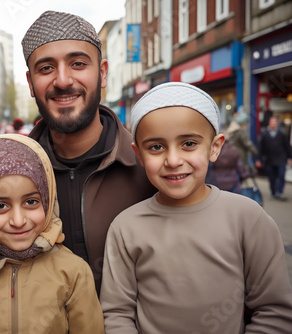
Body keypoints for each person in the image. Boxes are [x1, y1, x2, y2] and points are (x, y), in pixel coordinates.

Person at [100, 82, 292, 333]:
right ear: (139, 154)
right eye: (156, 147)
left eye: (189, 143)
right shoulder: (125, 228)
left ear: (214, 147)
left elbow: (273, 311)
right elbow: (116, 314)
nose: (173, 160)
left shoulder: (248, 218)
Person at [22, 10, 156, 292]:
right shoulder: (12, 176)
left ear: (103, 73)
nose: (62, 80)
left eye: (78, 64)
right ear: (31, 83)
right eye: (46, 68)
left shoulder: (152, 168)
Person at [0, 134, 104, 333]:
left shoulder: (73, 272)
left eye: (31, 202)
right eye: (0, 205)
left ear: (47, 200)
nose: (18, 221)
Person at [255, 115, 292, 201]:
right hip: (269, 159)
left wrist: (290, 157)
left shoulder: (282, 134)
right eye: (272, 122)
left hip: (281, 158)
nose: (274, 124)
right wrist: (258, 159)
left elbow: (287, 147)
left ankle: (280, 192)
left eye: (275, 122)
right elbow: (260, 148)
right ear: (269, 123)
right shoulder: (264, 134)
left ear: (277, 123)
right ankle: (273, 192)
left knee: (281, 175)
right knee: (272, 177)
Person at [225, 110, 258, 175]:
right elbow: (247, 143)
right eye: (246, 122)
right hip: (239, 154)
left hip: (231, 154)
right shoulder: (240, 130)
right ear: (243, 122)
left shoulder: (232, 128)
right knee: (240, 173)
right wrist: (255, 151)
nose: (246, 124)